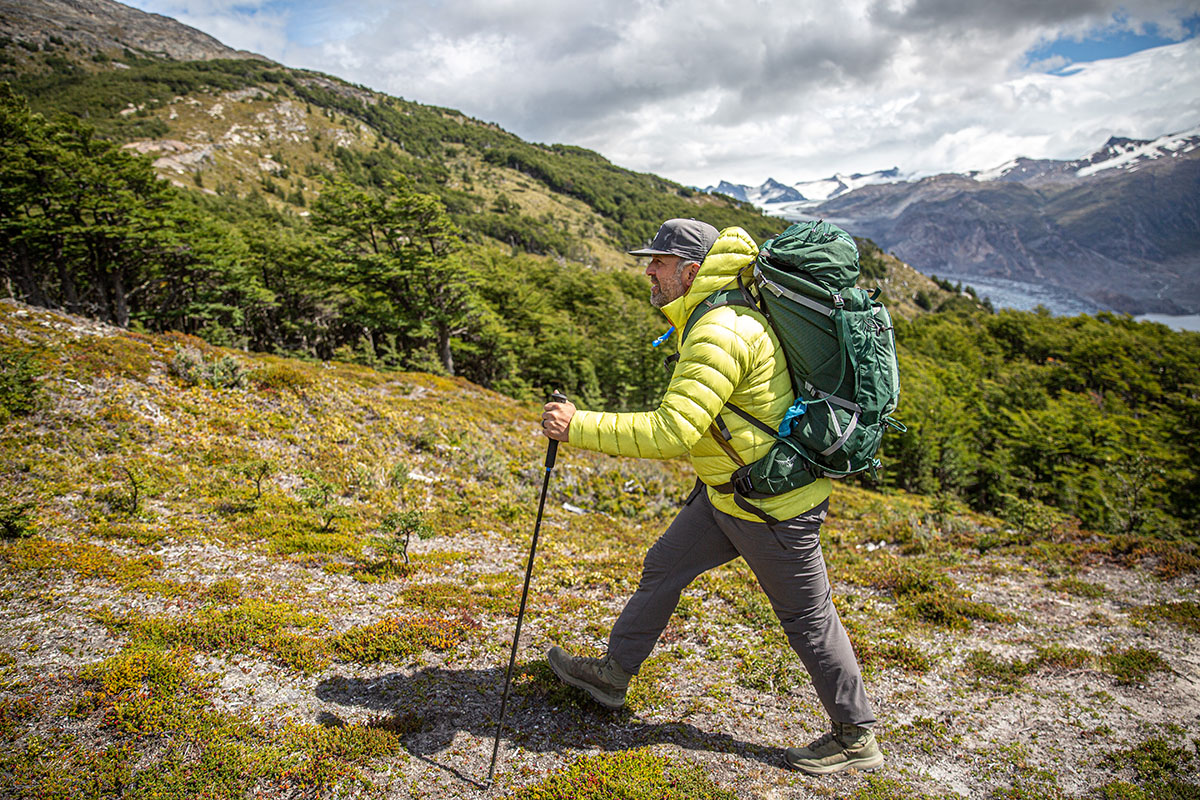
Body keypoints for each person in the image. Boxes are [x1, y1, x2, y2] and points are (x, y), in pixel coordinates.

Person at [539, 218, 882, 776]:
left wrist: (576, 425)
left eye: (659, 262)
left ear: (692, 271)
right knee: (664, 566)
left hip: (771, 507)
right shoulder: (716, 314)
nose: (648, 270)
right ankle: (612, 677)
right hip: (729, 493)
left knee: (807, 619)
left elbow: (672, 432)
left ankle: (855, 735)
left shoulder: (719, 330)